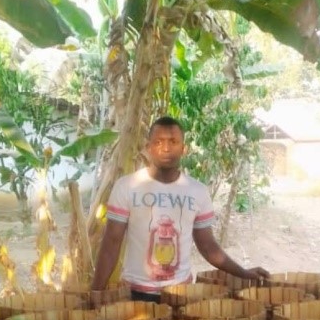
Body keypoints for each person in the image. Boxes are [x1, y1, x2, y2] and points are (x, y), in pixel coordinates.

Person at [91, 115, 269, 302]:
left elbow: (208, 246)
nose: (166, 148)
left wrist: (243, 273)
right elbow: (111, 244)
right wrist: (95, 293)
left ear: (184, 149)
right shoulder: (126, 186)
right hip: (134, 294)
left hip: (181, 295)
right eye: (158, 142)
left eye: (173, 142)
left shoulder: (197, 191)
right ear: (148, 147)